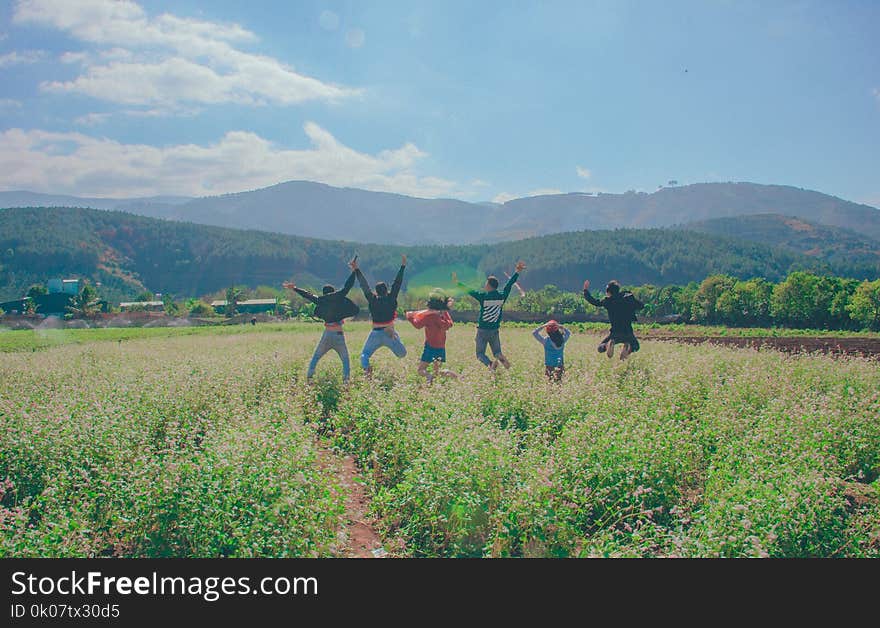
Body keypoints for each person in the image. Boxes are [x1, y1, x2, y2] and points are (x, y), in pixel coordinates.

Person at [283, 265, 358, 383]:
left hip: (327, 334)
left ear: (324, 293)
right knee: (345, 360)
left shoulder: (320, 300)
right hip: (338, 334)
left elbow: (308, 295)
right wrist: (354, 272)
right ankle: (346, 382)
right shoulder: (338, 297)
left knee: (316, 357)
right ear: (332, 292)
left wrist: (295, 288)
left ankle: (309, 378)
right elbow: (347, 286)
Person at [453, 260, 526, 370]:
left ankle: (491, 364)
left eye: (486, 284)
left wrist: (457, 283)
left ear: (490, 286)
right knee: (497, 352)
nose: (484, 285)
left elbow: (470, 291)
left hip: (482, 330)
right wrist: (517, 272)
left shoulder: (483, 296)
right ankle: (506, 365)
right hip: (494, 330)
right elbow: (509, 284)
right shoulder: (502, 296)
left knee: (480, 354)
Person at [350, 255, 408, 376]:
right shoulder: (391, 298)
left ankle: (367, 371)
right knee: (402, 354)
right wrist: (403, 266)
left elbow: (364, 285)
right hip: (390, 332)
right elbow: (397, 284)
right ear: (386, 290)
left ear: (376, 291)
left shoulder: (372, 299)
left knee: (364, 355)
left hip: (375, 333)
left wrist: (356, 269)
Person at [582, 279, 643, 360]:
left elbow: (595, 302)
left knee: (600, 348)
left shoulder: (608, 301)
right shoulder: (628, 298)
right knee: (636, 346)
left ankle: (607, 345)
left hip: (615, 333)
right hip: (628, 332)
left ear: (609, 292)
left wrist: (585, 290)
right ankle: (629, 348)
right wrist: (632, 300)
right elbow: (641, 306)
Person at [405, 290, 457, 384]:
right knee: (436, 372)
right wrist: (444, 312)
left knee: (421, 370)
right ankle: (454, 376)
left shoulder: (429, 317)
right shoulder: (443, 314)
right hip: (441, 347)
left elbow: (418, 325)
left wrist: (410, 317)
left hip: (430, 347)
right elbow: (450, 324)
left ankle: (428, 377)